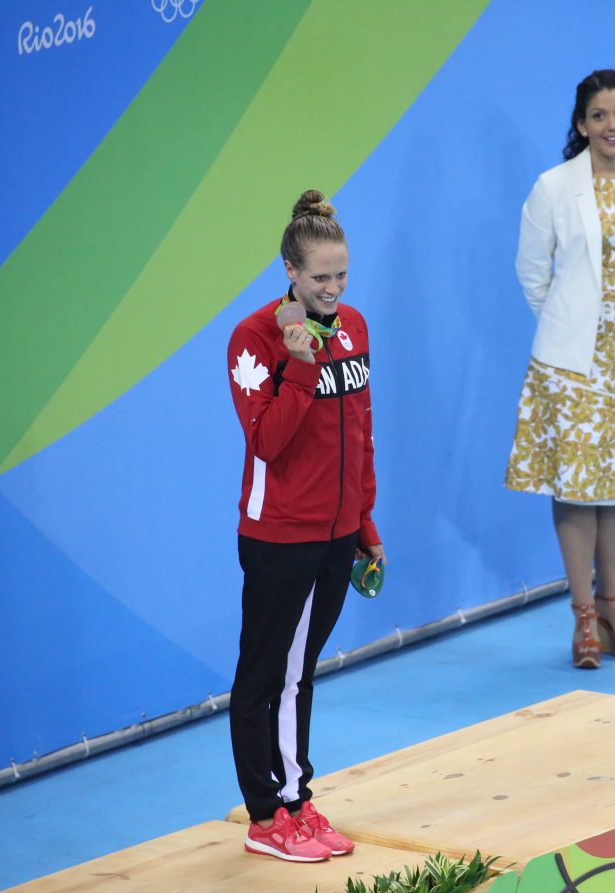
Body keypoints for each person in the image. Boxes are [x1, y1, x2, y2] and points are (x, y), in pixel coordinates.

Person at [505, 70, 615, 669]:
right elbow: (533, 275)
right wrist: (575, 322)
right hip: (572, 363)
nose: (613, 125)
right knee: (579, 487)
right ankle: (584, 617)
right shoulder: (553, 187)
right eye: (600, 115)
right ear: (581, 124)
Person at [225, 190, 384, 862]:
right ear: (289, 269)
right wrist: (298, 365)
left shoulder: (354, 327)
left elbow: (359, 433)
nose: (334, 288)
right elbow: (267, 442)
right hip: (279, 535)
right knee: (264, 677)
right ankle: (268, 817)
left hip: (337, 532)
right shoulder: (254, 338)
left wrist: (366, 522)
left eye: (342, 274)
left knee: (300, 672)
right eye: (320, 276)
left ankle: (298, 800)